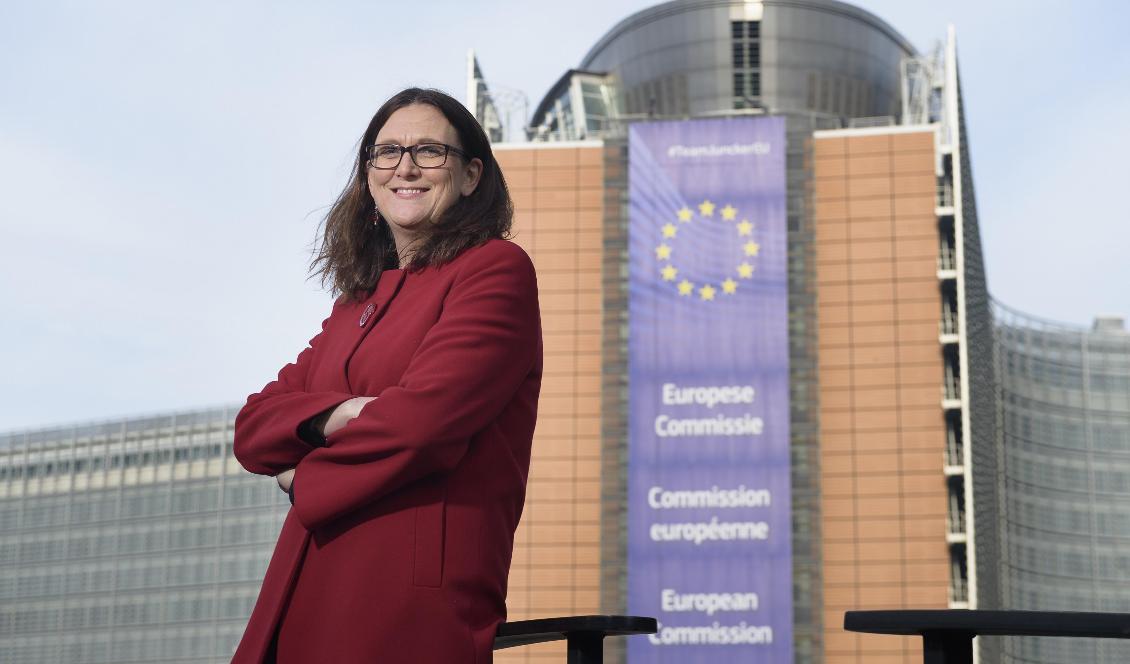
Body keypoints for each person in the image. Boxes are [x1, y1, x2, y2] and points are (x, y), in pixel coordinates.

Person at [230, 87, 542, 663]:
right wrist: (340, 413)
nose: (405, 166)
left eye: (429, 151)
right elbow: (252, 427)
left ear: (471, 175)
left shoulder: (496, 270)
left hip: (403, 604)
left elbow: (421, 425)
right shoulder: (357, 301)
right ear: (369, 174)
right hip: (304, 587)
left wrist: (304, 479)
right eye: (387, 151)